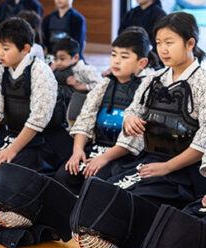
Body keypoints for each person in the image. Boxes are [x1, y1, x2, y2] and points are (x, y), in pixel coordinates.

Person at [112, 11, 206, 208]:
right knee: (106, 190)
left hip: (184, 170)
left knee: (134, 202)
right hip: (150, 157)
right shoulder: (154, 78)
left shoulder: (202, 82)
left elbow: (203, 141)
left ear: (190, 43)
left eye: (169, 42)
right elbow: (133, 109)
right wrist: (129, 118)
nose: (162, 49)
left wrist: (167, 167)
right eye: (159, 42)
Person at [55, 30, 149, 194]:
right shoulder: (104, 84)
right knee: (63, 176)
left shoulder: (147, 88)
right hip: (96, 149)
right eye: (114, 55)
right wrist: (77, 152)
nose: (116, 61)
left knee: (96, 184)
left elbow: (135, 139)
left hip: (124, 158)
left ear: (141, 63)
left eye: (124, 57)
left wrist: (104, 158)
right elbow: (85, 119)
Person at [0, 17, 66, 176]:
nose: (0, 53)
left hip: (43, 140)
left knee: (7, 170)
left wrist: (12, 150)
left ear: (25, 49)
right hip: (12, 133)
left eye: (6, 48)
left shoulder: (41, 71)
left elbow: (39, 118)